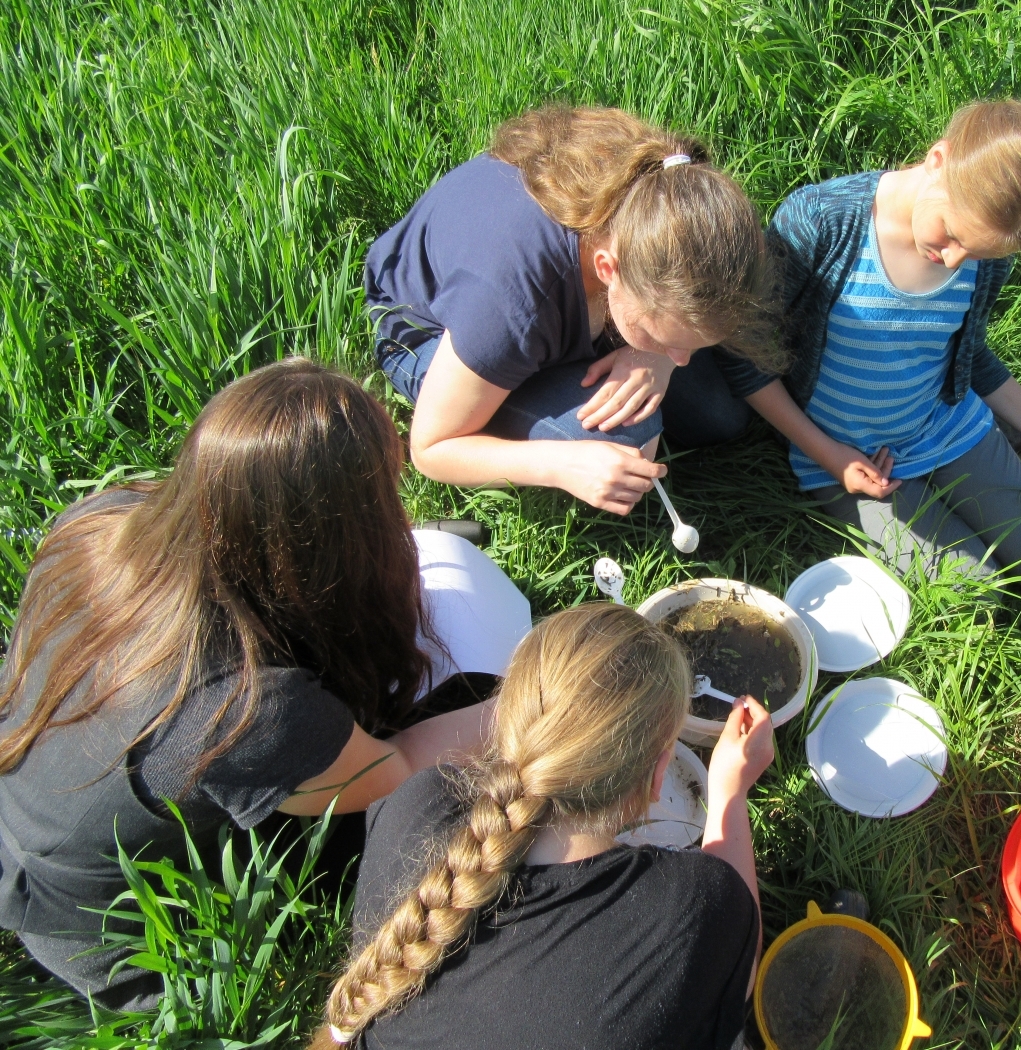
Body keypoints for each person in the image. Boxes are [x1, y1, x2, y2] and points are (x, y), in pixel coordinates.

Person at [0, 359, 503, 1009]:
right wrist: (540, 690)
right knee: (445, 764)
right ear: (320, 553)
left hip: (29, 812)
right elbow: (396, 766)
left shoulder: (100, 520)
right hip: (114, 928)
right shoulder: (252, 710)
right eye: (383, 508)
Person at [718, 99, 1021, 601]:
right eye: (951, 234)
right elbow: (746, 356)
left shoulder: (982, 259)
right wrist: (830, 455)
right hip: (844, 456)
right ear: (937, 161)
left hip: (944, 427)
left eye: (979, 251)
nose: (954, 258)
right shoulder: (822, 222)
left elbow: (968, 354)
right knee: (976, 596)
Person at [311, 604, 772, 1050]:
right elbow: (740, 966)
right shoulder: (690, 911)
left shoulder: (415, 805)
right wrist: (730, 793)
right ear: (659, 777)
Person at [367, 106, 782, 517]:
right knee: (629, 441)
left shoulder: (669, 197)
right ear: (608, 270)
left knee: (720, 415)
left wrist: (655, 356)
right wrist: (561, 465)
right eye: (659, 338)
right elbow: (432, 448)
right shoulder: (516, 302)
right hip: (428, 332)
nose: (681, 359)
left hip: (545, 307)